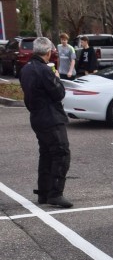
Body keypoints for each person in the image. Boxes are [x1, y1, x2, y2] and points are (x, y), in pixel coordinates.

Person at [19, 37, 73, 208]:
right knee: (61, 153)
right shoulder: (44, 70)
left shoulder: (26, 69)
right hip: (50, 117)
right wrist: (56, 77)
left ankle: (44, 192)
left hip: (37, 116)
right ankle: (55, 193)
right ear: (48, 52)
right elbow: (59, 94)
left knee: (47, 154)